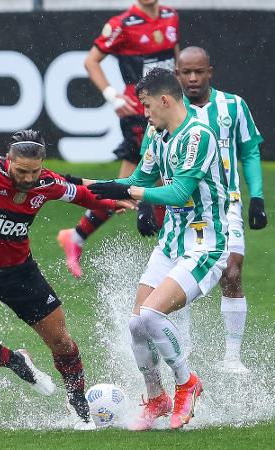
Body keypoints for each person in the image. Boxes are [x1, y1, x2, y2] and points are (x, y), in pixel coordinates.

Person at [0, 130, 134, 430]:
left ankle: (78, 404)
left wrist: (113, 201)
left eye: (34, 171)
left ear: (42, 165)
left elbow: (81, 194)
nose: (28, 179)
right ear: (8, 160)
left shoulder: (46, 183)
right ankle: (18, 362)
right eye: (21, 171)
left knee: (61, 341)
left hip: (20, 273)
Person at [87, 68, 229, 429]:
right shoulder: (156, 133)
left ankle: (187, 383)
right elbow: (139, 180)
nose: (145, 114)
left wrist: (132, 193)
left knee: (151, 315)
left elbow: (178, 192)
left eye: (147, 106)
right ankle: (156, 398)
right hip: (170, 243)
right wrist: (85, 186)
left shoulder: (199, 136)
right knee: (137, 324)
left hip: (204, 245)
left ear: (165, 100)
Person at [58, 0, 179, 278]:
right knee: (154, 180)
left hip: (167, 109)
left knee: (128, 186)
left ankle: (76, 237)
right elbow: (91, 61)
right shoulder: (122, 24)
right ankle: (170, 253)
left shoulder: (171, 16)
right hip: (141, 113)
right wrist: (112, 95)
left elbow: (175, 58)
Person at [175, 46, 267, 373]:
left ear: (210, 71)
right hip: (183, 208)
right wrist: (147, 205)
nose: (194, 78)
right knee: (181, 276)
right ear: (177, 74)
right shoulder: (169, 109)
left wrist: (256, 197)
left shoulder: (233, 106)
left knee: (232, 270)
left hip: (227, 204)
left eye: (199, 71)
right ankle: (183, 350)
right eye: (187, 72)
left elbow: (250, 151)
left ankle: (231, 357)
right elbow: (154, 153)